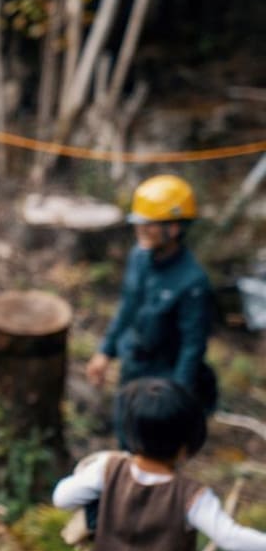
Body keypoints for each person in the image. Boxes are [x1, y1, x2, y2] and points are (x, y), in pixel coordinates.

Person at [53, 377, 266, 551]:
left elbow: (62, 498)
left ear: (132, 433)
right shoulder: (192, 497)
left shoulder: (109, 470)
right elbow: (230, 538)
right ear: (186, 445)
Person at [86, 175, 216, 422]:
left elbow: (193, 346)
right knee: (126, 429)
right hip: (133, 362)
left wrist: (177, 395)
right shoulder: (138, 257)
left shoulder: (193, 282)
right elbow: (128, 306)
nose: (140, 230)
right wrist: (106, 351)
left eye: (150, 224)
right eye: (138, 223)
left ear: (175, 227)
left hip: (163, 375)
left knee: (154, 439)